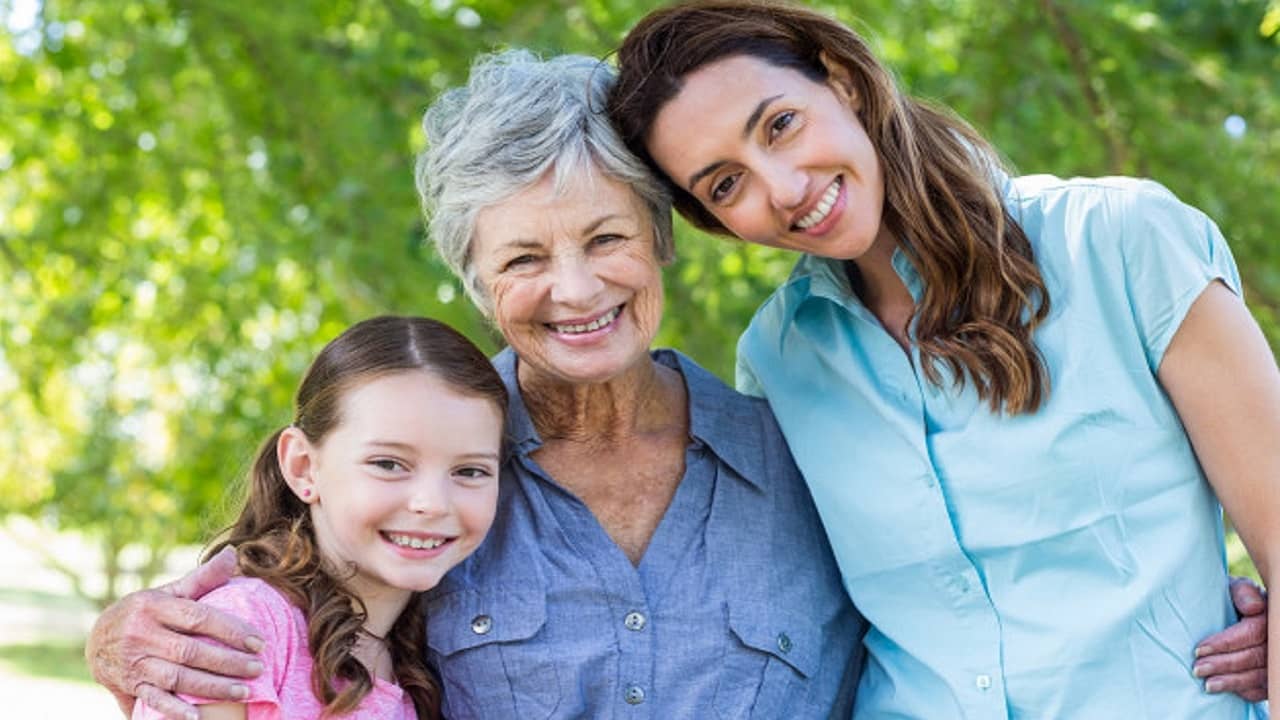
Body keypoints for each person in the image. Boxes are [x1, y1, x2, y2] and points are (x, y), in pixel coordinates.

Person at [86, 51, 864, 719]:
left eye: (607, 238)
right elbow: (282, 621)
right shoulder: (433, 484)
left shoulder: (811, 450)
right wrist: (123, 635)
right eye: (524, 259)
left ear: (661, 239)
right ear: (479, 286)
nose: (577, 288)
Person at [609, 1, 1279, 717]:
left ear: (843, 82)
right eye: (725, 184)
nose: (784, 189)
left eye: (780, 125)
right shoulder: (778, 360)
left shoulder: (1119, 243)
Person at [127, 315, 508, 720]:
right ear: (304, 467)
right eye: (388, 463)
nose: (432, 503)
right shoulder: (243, 628)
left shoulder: (423, 658)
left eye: (470, 471)